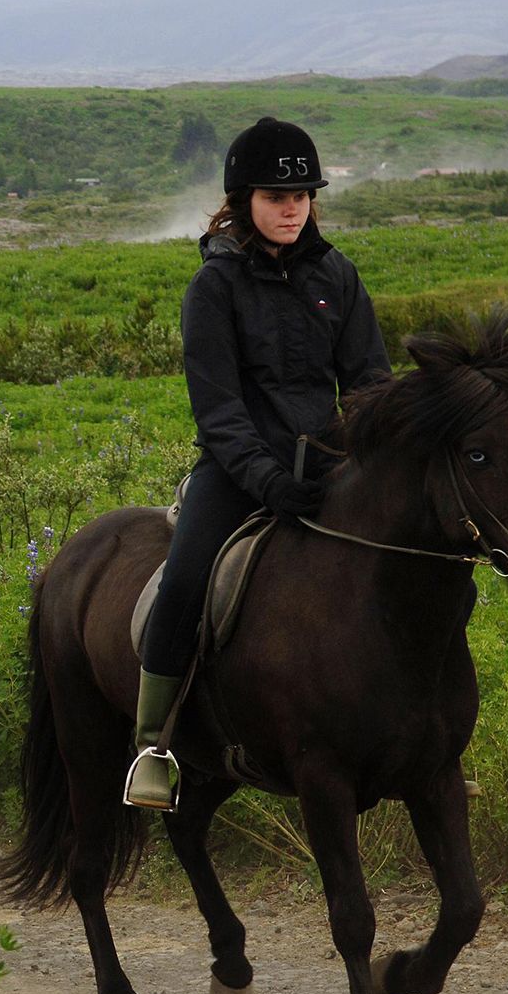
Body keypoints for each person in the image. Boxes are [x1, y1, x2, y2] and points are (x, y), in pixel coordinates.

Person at [125, 117, 391, 811]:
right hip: (239, 473)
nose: (292, 208)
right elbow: (219, 410)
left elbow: (370, 382)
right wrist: (268, 479)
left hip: (327, 469)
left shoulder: (337, 275)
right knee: (184, 581)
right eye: (276, 196)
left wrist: (369, 460)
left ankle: (418, 740)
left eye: (301, 195)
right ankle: (155, 745)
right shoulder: (213, 287)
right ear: (243, 199)